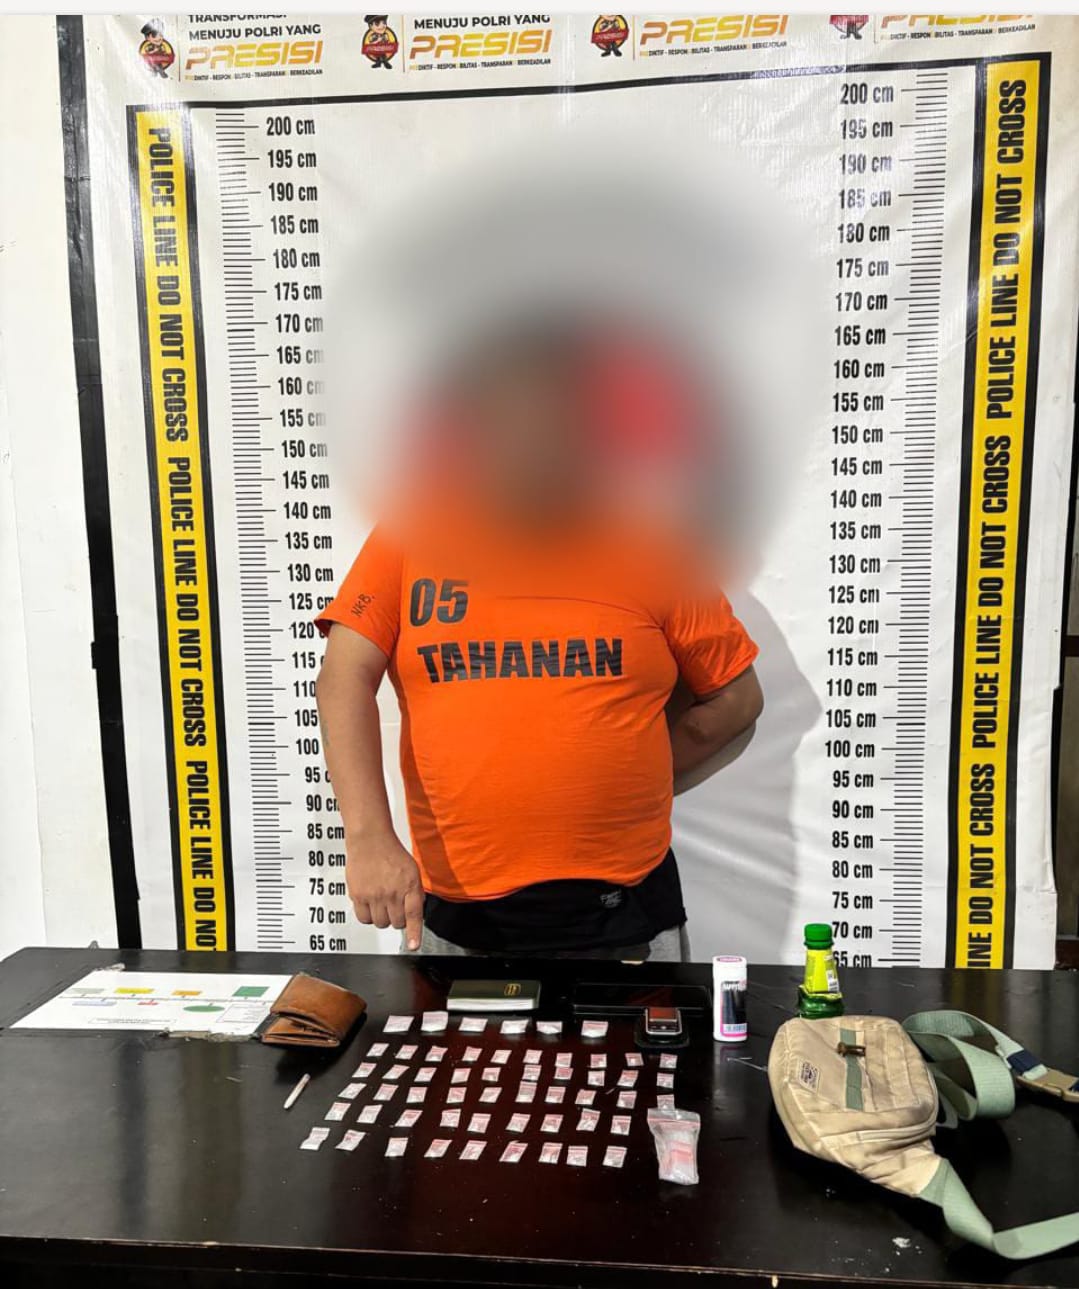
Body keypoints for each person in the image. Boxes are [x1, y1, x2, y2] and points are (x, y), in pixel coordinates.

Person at [315, 328, 762, 959]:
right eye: (512, 424)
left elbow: (735, 699)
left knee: (648, 1033)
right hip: (460, 915)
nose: (534, 447)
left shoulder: (652, 547)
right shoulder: (410, 536)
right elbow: (343, 677)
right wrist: (367, 837)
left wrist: (627, 776)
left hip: (627, 911)